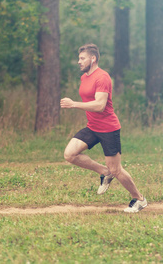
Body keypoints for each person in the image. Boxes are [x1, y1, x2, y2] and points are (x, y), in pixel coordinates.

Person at [60, 43, 147, 213]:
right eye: (79, 58)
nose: (79, 62)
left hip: (108, 129)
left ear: (93, 59)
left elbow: (100, 105)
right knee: (70, 154)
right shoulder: (84, 77)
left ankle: (139, 199)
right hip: (92, 127)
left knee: (117, 170)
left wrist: (74, 104)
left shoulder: (103, 77)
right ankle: (104, 172)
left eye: (82, 58)